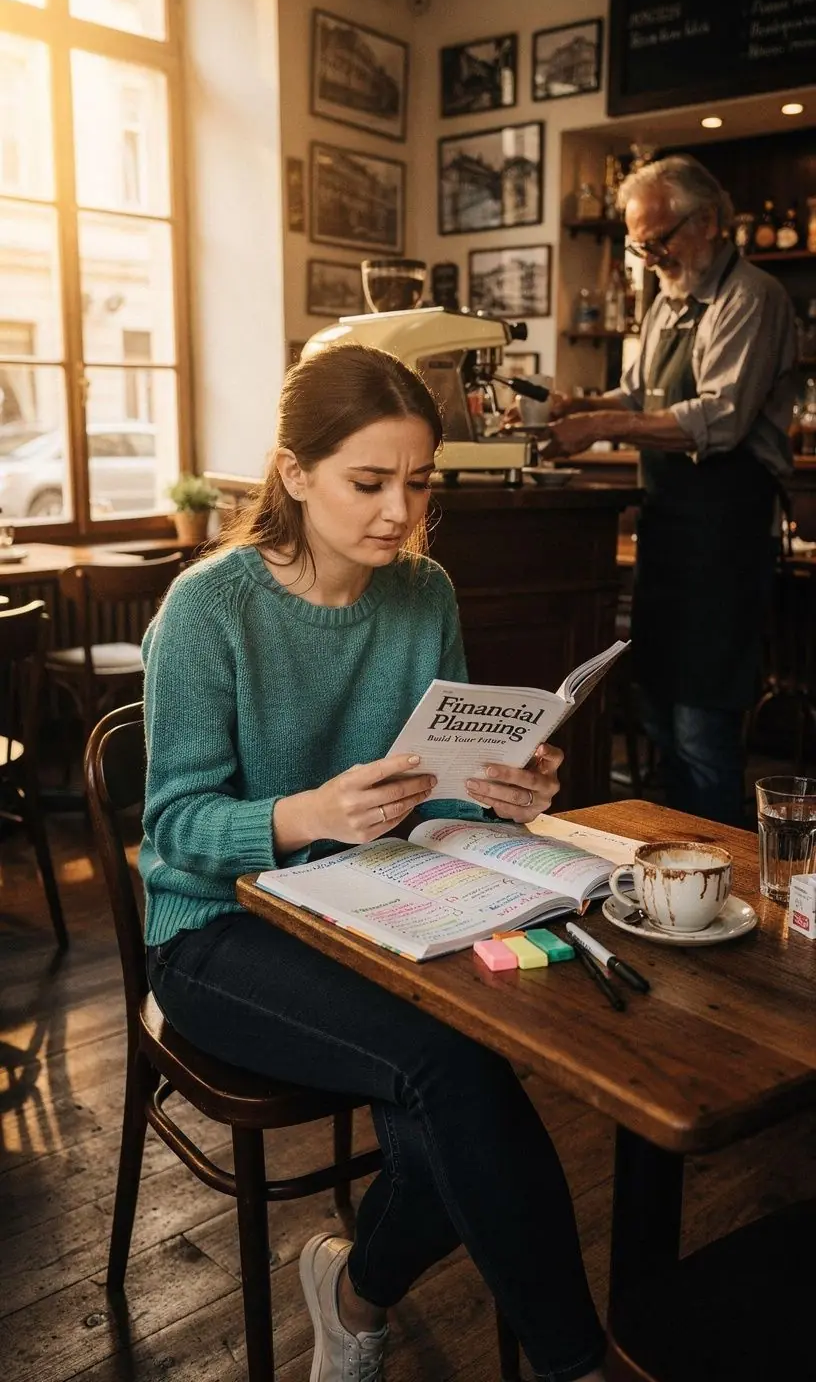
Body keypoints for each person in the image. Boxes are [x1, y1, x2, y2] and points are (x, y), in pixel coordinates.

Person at [140, 344, 609, 1382]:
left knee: (460, 1081)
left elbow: (430, 782)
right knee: (452, 1070)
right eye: (369, 482)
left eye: (420, 481)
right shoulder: (209, 609)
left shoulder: (424, 592)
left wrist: (500, 790)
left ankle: (353, 1299)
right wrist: (307, 813)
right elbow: (172, 829)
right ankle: (576, 1364)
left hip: (376, 903)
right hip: (218, 931)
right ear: (294, 473)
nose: (400, 511)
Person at [536, 155, 796, 827]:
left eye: (659, 240)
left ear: (707, 221)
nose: (648, 256)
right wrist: (578, 403)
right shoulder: (666, 301)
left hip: (726, 540)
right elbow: (639, 393)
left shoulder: (752, 298)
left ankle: (722, 882)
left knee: (703, 728)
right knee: (658, 716)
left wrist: (598, 426)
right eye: (638, 243)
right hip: (670, 532)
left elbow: (721, 417)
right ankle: (670, 872)